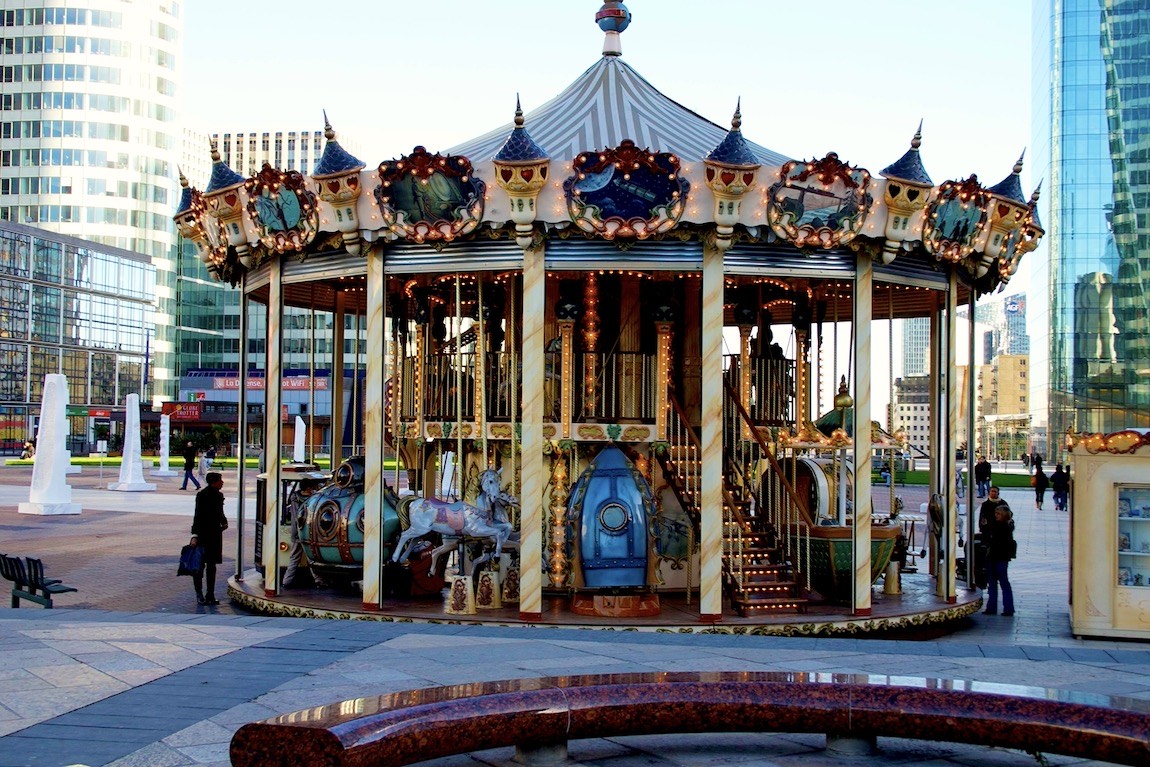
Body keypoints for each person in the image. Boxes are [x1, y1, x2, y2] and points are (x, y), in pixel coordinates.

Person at [189, 472, 228, 606]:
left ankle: (207, 594)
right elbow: (198, 515)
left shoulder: (217, 495)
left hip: (211, 534)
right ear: (214, 482)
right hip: (207, 534)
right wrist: (195, 535)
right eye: (220, 480)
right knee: (204, 566)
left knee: (207, 566)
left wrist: (224, 521)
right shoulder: (203, 495)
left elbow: (219, 512)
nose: (222, 483)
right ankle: (204, 594)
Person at [282, 479, 324, 589]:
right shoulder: (312, 499)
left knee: (294, 557)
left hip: (296, 532)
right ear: (309, 488)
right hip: (307, 532)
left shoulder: (294, 498)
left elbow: (295, 516)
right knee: (312, 558)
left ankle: (287, 581)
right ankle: (318, 580)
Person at [983, 503, 1016, 616]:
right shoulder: (1008, 526)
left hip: (997, 556)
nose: (996, 515)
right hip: (1000, 557)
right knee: (1001, 582)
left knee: (996, 582)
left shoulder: (1000, 527)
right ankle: (1007, 607)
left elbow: (991, 537)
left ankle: (993, 607)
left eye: (998, 513)